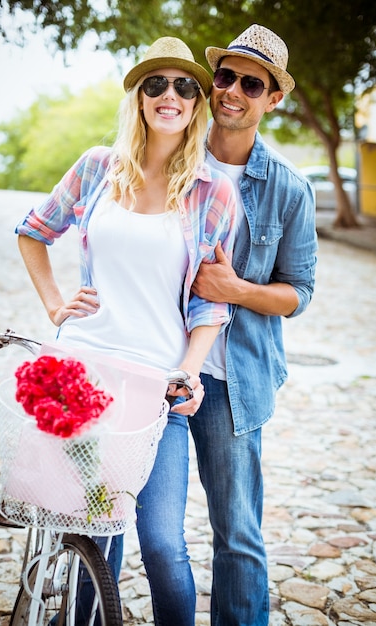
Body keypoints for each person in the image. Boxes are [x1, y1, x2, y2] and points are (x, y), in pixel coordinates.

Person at [15, 37, 237, 626]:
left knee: (163, 544)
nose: (170, 95)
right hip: (80, 373)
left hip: (155, 388)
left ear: (196, 104)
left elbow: (210, 304)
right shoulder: (97, 167)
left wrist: (191, 368)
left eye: (185, 86)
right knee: (90, 534)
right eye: (156, 85)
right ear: (139, 98)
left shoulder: (213, 193)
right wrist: (57, 304)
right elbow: (33, 231)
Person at [190, 24, 318, 626]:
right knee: (107, 514)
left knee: (237, 533)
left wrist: (235, 289)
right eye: (225, 76)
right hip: (155, 364)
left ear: (274, 98)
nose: (233, 90)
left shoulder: (290, 190)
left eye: (251, 82)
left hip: (231, 382)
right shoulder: (172, 157)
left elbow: (300, 293)